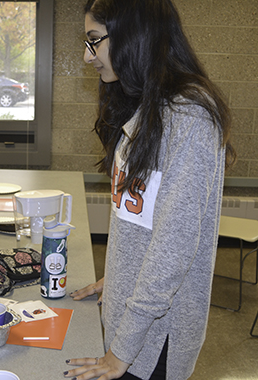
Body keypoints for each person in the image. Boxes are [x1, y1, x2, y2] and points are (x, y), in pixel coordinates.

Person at [65, 1, 235, 379]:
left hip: (151, 341)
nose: (86, 55)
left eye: (94, 41)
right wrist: (119, 276)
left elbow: (173, 250)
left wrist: (120, 353)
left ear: (133, 35)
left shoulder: (190, 118)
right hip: (129, 316)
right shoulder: (145, 105)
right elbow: (141, 220)